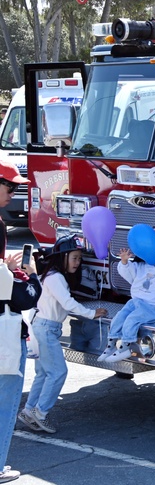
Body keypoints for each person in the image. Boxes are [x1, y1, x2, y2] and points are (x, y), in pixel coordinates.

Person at [18, 236, 107, 434]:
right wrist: (93, 313)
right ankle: (40, 414)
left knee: (44, 373)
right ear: (63, 257)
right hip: (47, 329)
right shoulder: (55, 278)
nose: (77, 263)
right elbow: (68, 303)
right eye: (74, 258)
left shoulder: (50, 275)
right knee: (58, 373)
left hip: (43, 327)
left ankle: (29, 411)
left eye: (78, 259)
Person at [0, 160, 38, 483]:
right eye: (10, 187)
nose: (14, 193)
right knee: (7, 395)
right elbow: (11, 292)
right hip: (4, 326)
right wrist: (19, 275)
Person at [98, 229, 155, 363]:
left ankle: (125, 347)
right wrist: (124, 262)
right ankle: (111, 344)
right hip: (138, 303)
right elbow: (127, 273)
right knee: (120, 316)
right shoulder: (139, 266)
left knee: (132, 318)